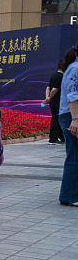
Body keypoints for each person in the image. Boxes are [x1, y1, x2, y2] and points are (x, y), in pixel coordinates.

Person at [59, 47, 78, 206]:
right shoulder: (75, 68)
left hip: (72, 116)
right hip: (71, 116)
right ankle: (69, 196)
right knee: (74, 157)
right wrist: (75, 120)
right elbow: (73, 96)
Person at [46, 55, 70, 143]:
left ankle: (62, 137)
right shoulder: (60, 76)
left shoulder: (53, 75)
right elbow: (54, 89)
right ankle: (53, 138)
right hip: (57, 102)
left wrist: (47, 98)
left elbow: (48, 87)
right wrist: (49, 98)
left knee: (57, 119)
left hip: (53, 102)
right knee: (55, 120)